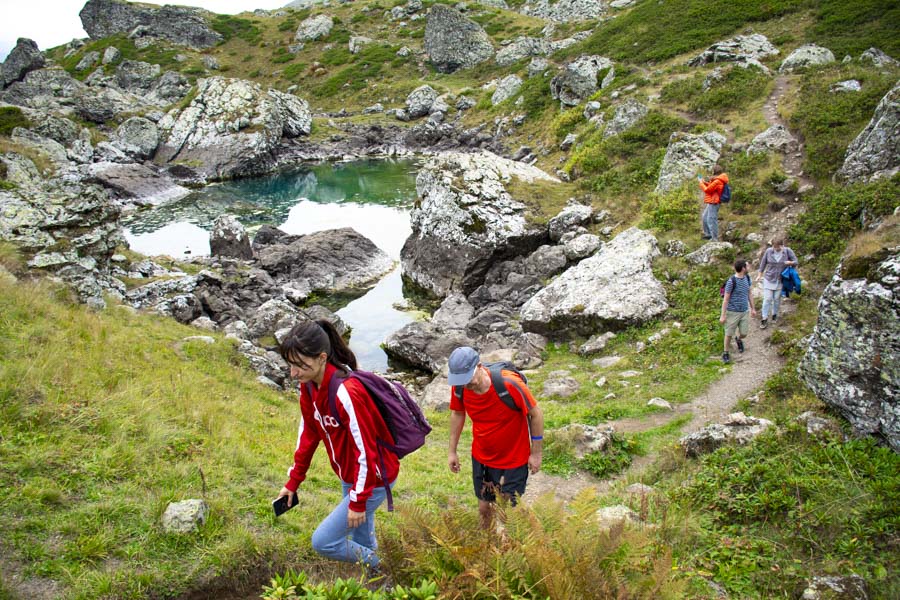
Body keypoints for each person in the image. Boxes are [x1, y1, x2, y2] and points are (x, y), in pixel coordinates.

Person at [275, 319, 399, 571]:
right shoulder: (309, 387)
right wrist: (293, 482)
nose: (293, 373)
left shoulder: (347, 392)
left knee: (324, 541)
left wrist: (357, 501)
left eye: (300, 365)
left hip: (373, 479)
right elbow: (309, 434)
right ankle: (374, 582)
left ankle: (385, 569)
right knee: (360, 537)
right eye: (290, 365)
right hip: (351, 476)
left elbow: (367, 450)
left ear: (322, 358)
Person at [446, 347, 544, 529]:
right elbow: (458, 414)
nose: (466, 385)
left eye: (469, 379)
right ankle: (488, 545)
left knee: (507, 509)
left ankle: (510, 547)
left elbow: (535, 414)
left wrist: (536, 453)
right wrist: (452, 451)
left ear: (480, 367)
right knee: (484, 508)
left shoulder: (509, 385)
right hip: (482, 457)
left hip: (514, 458)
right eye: (460, 381)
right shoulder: (460, 387)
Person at [720, 259, 756, 364]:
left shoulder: (747, 278)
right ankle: (725, 352)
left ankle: (739, 339)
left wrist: (753, 308)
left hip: (744, 311)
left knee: (744, 333)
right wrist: (723, 315)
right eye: (747, 266)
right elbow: (726, 299)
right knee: (728, 333)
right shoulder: (731, 281)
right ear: (743, 268)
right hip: (732, 312)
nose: (749, 268)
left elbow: (749, 293)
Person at [756, 238, 798, 329]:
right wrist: (759, 275)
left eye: (777, 248)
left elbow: (796, 262)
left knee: (776, 299)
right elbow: (763, 263)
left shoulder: (787, 251)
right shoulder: (769, 251)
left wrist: (790, 262)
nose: (775, 249)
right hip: (769, 278)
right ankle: (764, 318)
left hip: (780, 280)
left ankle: (774, 314)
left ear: (782, 246)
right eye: (774, 247)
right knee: (767, 299)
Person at [699, 165, 729, 242]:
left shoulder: (717, 181)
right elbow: (711, 187)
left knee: (711, 219)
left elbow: (708, 190)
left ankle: (714, 238)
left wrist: (701, 183)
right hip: (712, 201)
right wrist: (705, 182)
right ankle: (708, 234)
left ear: (714, 171)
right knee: (705, 217)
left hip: (714, 202)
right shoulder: (718, 180)